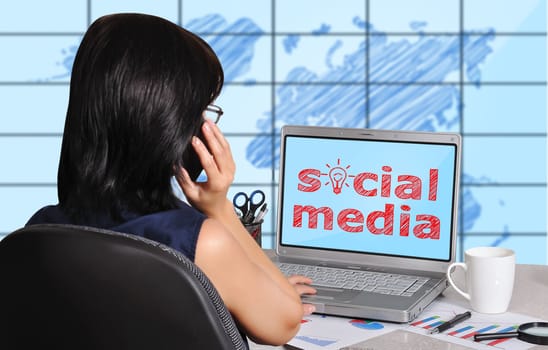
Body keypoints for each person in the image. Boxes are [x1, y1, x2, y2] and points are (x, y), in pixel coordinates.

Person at [26, 13, 315, 346]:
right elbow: (284, 322)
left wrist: (254, 283)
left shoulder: (41, 229)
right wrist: (218, 207)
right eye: (202, 109)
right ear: (169, 121)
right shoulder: (202, 242)